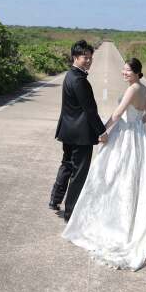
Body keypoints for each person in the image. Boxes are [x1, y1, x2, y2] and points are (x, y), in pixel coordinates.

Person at [62, 57, 146, 271]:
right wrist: (137, 124)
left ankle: (118, 221)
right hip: (139, 135)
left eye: (128, 71)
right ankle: (133, 216)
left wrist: (103, 131)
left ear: (137, 72)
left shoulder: (132, 89)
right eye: (123, 70)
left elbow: (117, 114)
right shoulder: (145, 89)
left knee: (115, 174)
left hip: (125, 135)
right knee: (135, 174)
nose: (124, 73)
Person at [49, 40, 108, 222]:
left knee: (67, 165)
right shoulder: (79, 80)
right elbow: (89, 110)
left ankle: (55, 199)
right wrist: (101, 131)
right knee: (78, 174)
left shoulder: (69, 75)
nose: (88, 61)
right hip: (81, 135)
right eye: (85, 57)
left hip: (67, 130)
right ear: (75, 57)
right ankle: (71, 213)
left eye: (90, 57)